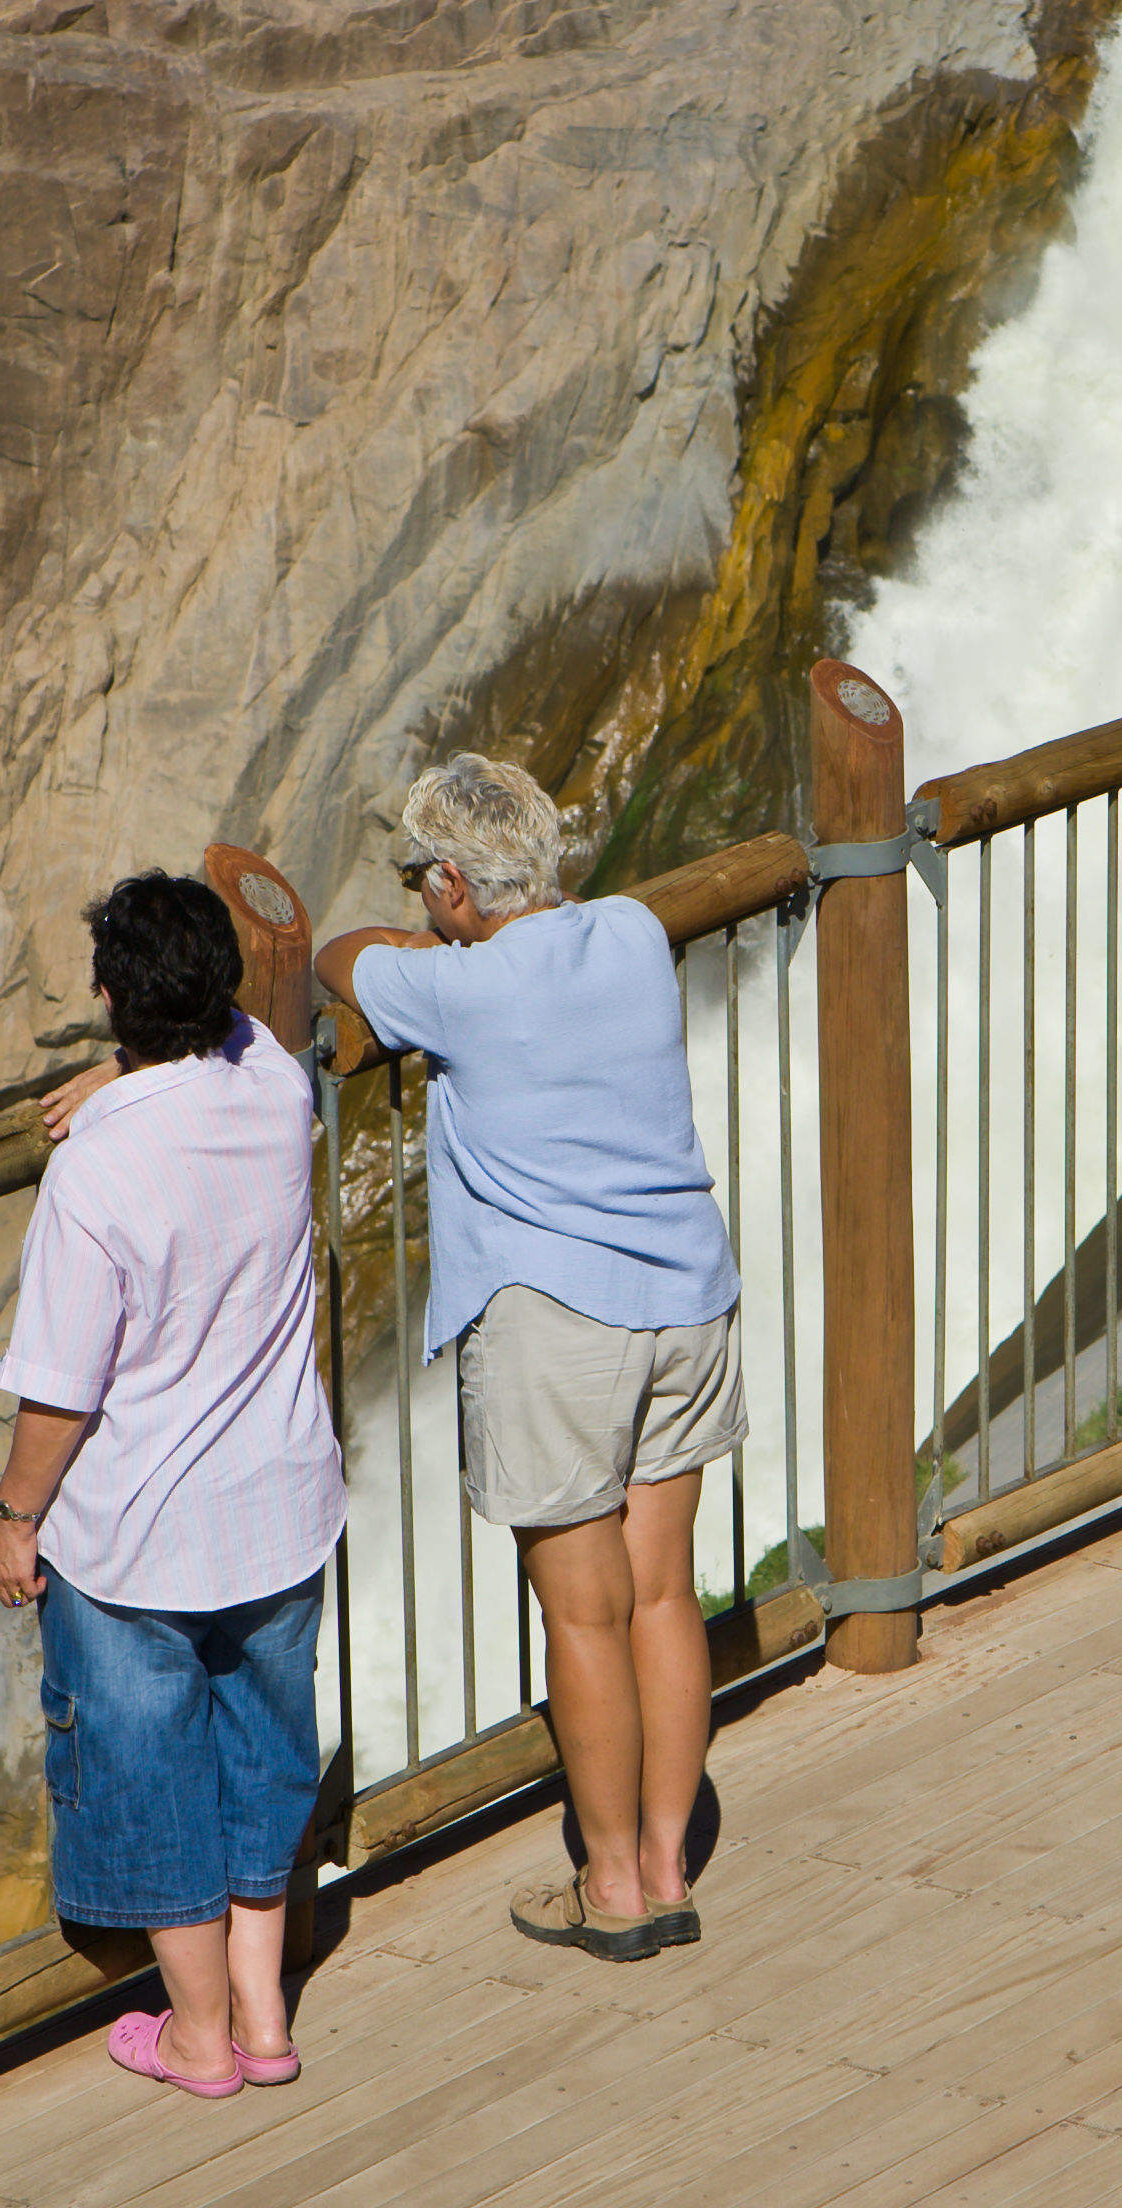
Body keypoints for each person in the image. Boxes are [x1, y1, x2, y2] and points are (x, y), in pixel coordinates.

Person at [316, 755, 742, 1962]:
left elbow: (339, 959)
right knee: (663, 1591)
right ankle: (668, 1865)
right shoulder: (630, 932)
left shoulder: (456, 989)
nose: (414, 900)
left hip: (556, 1324)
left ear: (451, 881)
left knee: (583, 1616)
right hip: (687, 1295)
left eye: (419, 880)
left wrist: (402, 943)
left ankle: (609, 1887)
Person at [0, 872, 341, 2100]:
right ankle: (264, 2012)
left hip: (138, 1539)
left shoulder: (93, 1176)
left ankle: (198, 2038)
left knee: (149, 1782)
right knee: (260, 1753)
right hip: (283, 1510)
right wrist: (138, 1074)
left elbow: (62, 1390)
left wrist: (15, 1519)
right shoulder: (279, 1090)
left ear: (105, 999)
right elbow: (225, 1050)